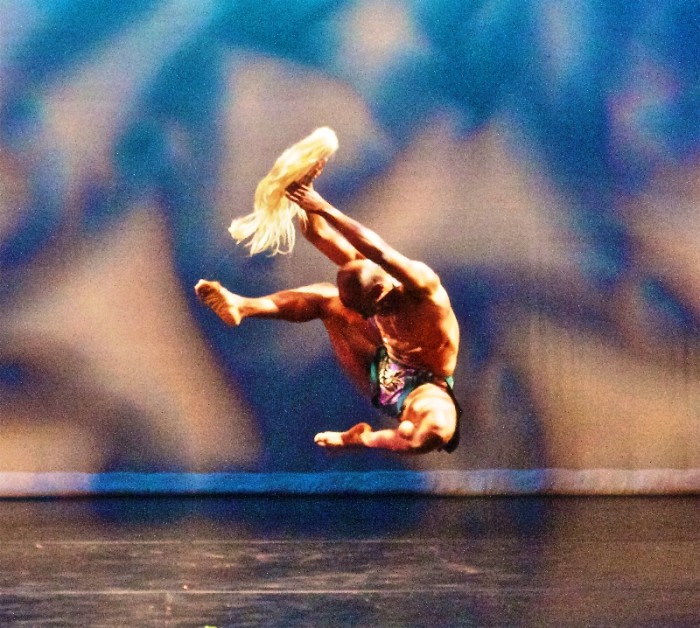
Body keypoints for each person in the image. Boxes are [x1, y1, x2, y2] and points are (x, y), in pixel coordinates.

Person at [195, 169, 461, 454]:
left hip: (427, 381)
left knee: (431, 427)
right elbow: (316, 233)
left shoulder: (422, 287)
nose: (361, 317)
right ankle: (242, 306)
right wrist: (303, 196)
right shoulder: (365, 281)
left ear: (381, 295)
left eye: (367, 310)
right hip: (385, 368)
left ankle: (373, 438)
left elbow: (379, 251)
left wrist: (323, 206)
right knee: (326, 299)